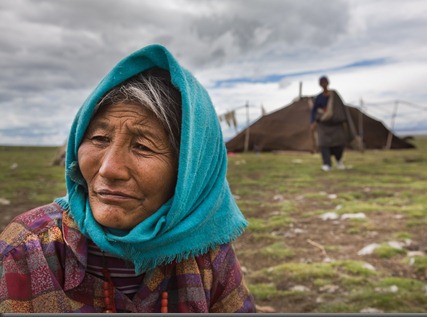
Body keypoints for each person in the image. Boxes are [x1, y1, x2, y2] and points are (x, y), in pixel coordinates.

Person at [0, 44, 255, 313]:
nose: (109, 169)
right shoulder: (25, 251)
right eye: (99, 139)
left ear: (190, 172)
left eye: (142, 146)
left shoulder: (208, 256)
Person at [310, 76, 348, 171]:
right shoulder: (318, 98)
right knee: (324, 144)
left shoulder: (334, 95)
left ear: (328, 83)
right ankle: (327, 164)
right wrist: (312, 122)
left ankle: (339, 161)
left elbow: (340, 108)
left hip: (336, 124)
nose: (323, 84)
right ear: (320, 84)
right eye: (321, 82)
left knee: (339, 143)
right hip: (323, 125)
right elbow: (314, 111)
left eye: (325, 82)